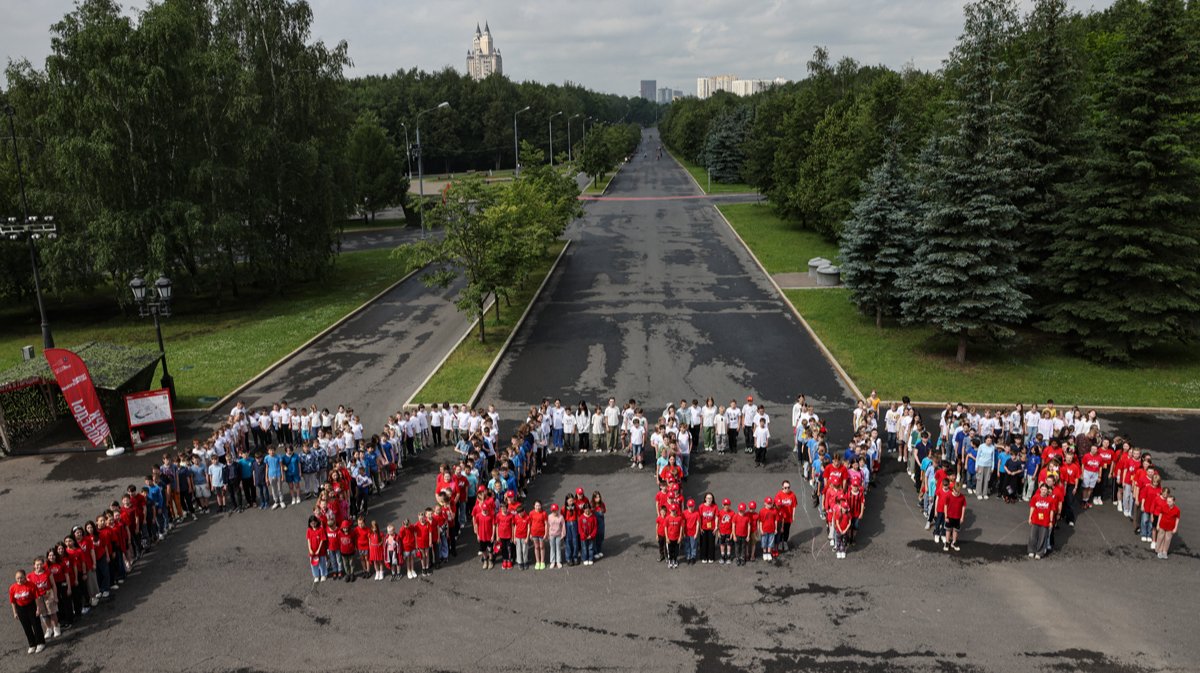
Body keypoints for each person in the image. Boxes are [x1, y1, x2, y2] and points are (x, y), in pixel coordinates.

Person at [10, 569, 45, 654]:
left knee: (36, 625)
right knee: (26, 627)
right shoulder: (13, 588)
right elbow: (13, 601)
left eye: (21, 578)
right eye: (18, 578)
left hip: (31, 606)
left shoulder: (31, 585)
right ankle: (32, 644)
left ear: (25, 577)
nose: (19, 580)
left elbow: (37, 597)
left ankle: (40, 642)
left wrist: (38, 608)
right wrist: (15, 612)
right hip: (21, 609)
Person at [1028, 483, 1056, 559]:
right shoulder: (1035, 497)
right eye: (1042, 489)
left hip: (1045, 522)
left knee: (1042, 537)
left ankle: (1039, 553)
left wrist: (1050, 521)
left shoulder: (1051, 499)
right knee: (1032, 536)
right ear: (1040, 489)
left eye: (1045, 490)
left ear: (1047, 491)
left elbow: (1052, 511)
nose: (1043, 491)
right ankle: (1031, 551)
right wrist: (1030, 517)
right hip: (1035, 520)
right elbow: (1032, 507)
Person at [943, 484, 967, 552]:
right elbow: (945, 505)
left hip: (957, 517)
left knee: (955, 530)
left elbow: (963, 507)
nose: (957, 493)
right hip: (949, 517)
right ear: (953, 489)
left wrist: (962, 517)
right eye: (956, 492)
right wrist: (946, 516)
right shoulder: (948, 496)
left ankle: (954, 542)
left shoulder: (962, 497)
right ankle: (947, 542)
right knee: (948, 530)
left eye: (959, 492)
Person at [1156, 494, 1180, 559]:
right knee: (1160, 538)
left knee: (1167, 539)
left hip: (1170, 527)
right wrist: (1158, 524)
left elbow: (1177, 519)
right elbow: (1160, 515)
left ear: (1174, 502)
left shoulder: (1177, 510)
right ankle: (1159, 551)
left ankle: (1165, 552)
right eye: (1167, 501)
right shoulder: (1163, 506)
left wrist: (1175, 528)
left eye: (1169, 501)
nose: (1168, 503)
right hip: (1162, 525)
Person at [306, 516, 328, 583]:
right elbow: (308, 540)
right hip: (312, 552)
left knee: (322, 563)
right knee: (313, 564)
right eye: (311, 523)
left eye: (314, 523)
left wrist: (318, 549)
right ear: (309, 523)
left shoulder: (320, 529)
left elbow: (322, 540)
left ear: (316, 522)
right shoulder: (309, 530)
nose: (313, 524)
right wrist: (310, 549)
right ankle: (316, 576)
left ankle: (323, 574)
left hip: (320, 551)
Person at [547, 504, 565, 569]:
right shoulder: (549, 517)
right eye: (553, 511)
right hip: (551, 535)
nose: (554, 512)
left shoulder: (561, 517)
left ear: (558, 510)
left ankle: (558, 561)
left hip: (558, 535)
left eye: (556, 510)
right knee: (552, 548)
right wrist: (547, 534)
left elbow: (563, 525)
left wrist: (563, 534)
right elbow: (548, 526)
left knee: (558, 548)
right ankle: (552, 561)